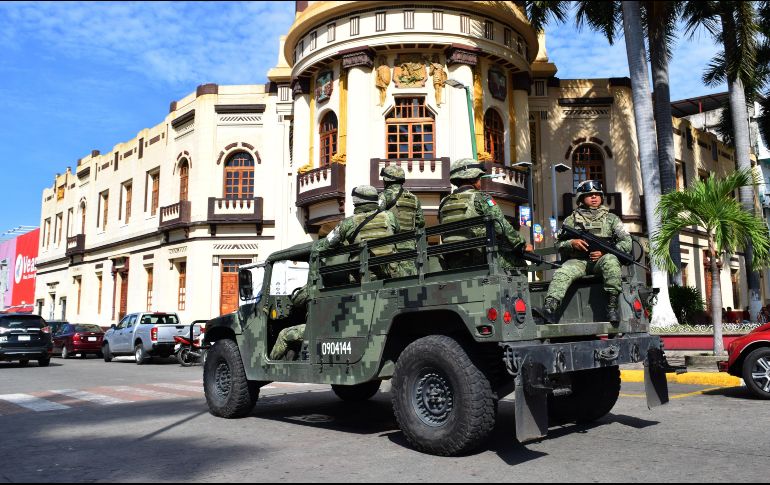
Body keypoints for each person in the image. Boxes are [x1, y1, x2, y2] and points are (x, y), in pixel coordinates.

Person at [269, 185, 400, 360]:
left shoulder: (348, 223)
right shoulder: (389, 216)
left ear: (356, 202)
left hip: (361, 280)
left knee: (286, 333)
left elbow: (325, 245)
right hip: (390, 275)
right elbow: (396, 232)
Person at [543, 180, 632, 324]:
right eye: (589, 195)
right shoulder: (571, 220)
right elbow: (557, 243)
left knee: (611, 261)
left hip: (601, 261)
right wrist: (572, 243)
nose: (594, 197)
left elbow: (626, 242)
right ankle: (549, 309)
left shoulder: (611, 219)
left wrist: (604, 253)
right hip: (578, 262)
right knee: (562, 272)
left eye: (597, 194)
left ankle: (612, 308)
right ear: (581, 198)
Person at [438, 158, 532, 271]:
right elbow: (501, 226)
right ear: (472, 178)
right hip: (480, 258)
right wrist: (521, 245)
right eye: (479, 178)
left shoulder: (444, 202)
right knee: (520, 265)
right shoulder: (481, 198)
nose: (480, 181)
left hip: (453, 261)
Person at [379, 164, 425, 276]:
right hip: (409, 246)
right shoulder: (413, 198)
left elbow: (375, 217)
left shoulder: (384, 196)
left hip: (391, 247)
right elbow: (421, 222)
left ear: (386, 180)